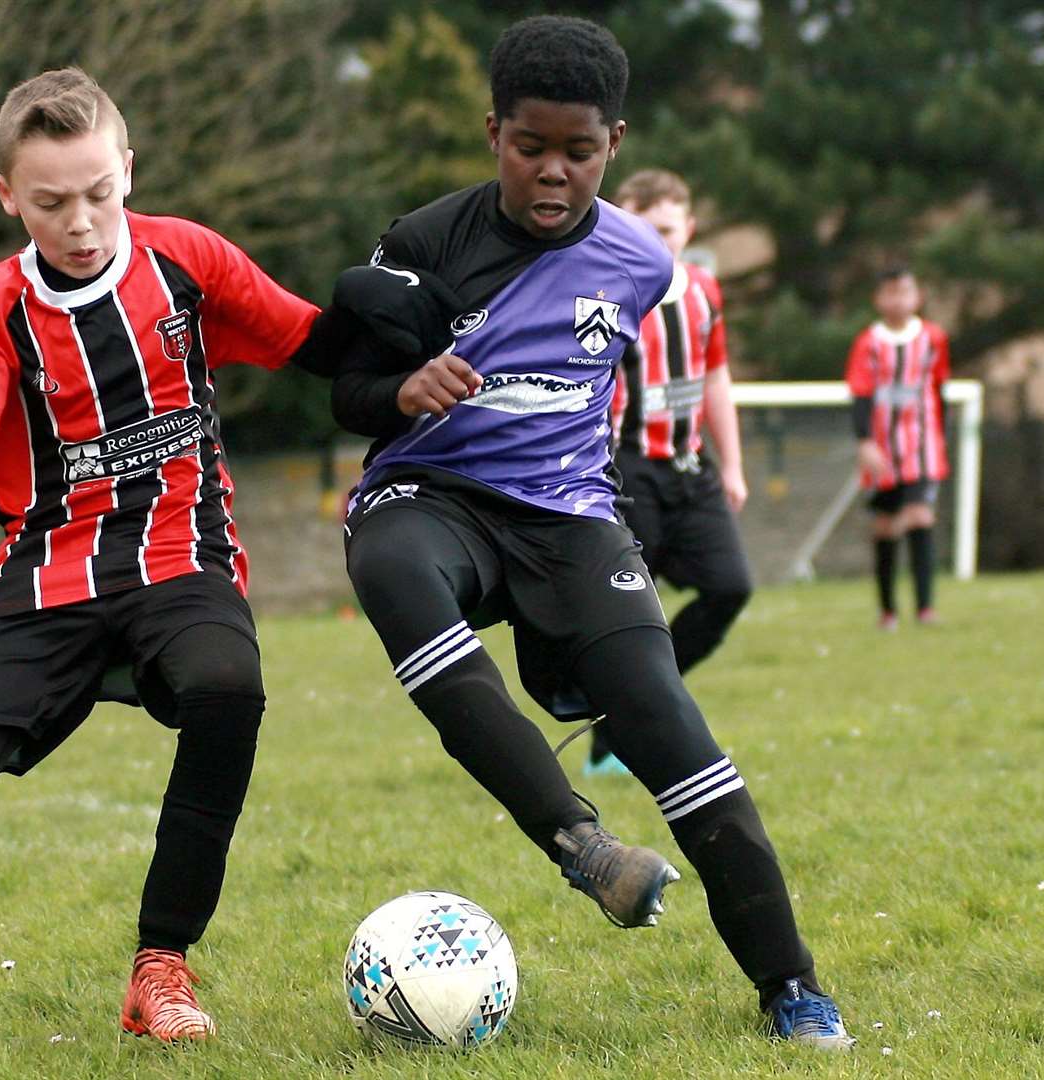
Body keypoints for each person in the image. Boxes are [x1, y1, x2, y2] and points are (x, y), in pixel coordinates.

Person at [330, 15, 854, 1049]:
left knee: (672, 732)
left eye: (578, 150)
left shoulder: (643, 264)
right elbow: (346, 393)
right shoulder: (425, 240)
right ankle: (579, 843)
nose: (553, 173)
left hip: (572, 520)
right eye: (531, 148)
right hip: (436, 500)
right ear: (493, 133)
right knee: (388, 562)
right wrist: (401, 389)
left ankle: (791, 987)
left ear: (615, 140)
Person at [0, 66, 360, 1049]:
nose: (80, 220)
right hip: (45, 577)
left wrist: (388, 309)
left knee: (228, 687)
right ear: (9, 197)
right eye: (50, 202)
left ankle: (160, 968)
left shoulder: (187, 259)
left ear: (126, 169)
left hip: (181, 556)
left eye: (98, 193)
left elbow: (309, 341)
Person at [585, 168, 753, 777]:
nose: (658, 240)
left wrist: (731, 463)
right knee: (635, 614)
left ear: (690, 228)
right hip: (626, 472)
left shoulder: (706, 291)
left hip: (690, 468)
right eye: (643, 227)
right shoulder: (607, 290)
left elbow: (715, 378)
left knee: (731, 587)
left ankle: (634, 706)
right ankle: (614, 741)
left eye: (667, 229)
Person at [845, 266, 951, 630]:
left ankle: (925, 608)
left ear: (917, 296)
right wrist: (865, 441)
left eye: (905, 291)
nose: (899, 300)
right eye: (891, 292)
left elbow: (939, 390)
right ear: (879, 299)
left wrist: (942, 436)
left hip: (922, 446)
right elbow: (860, 395)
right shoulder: (868, 343)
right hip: (883, 449)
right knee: (886, 526)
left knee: (921, 515)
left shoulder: (933, 338)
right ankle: (888, 610)